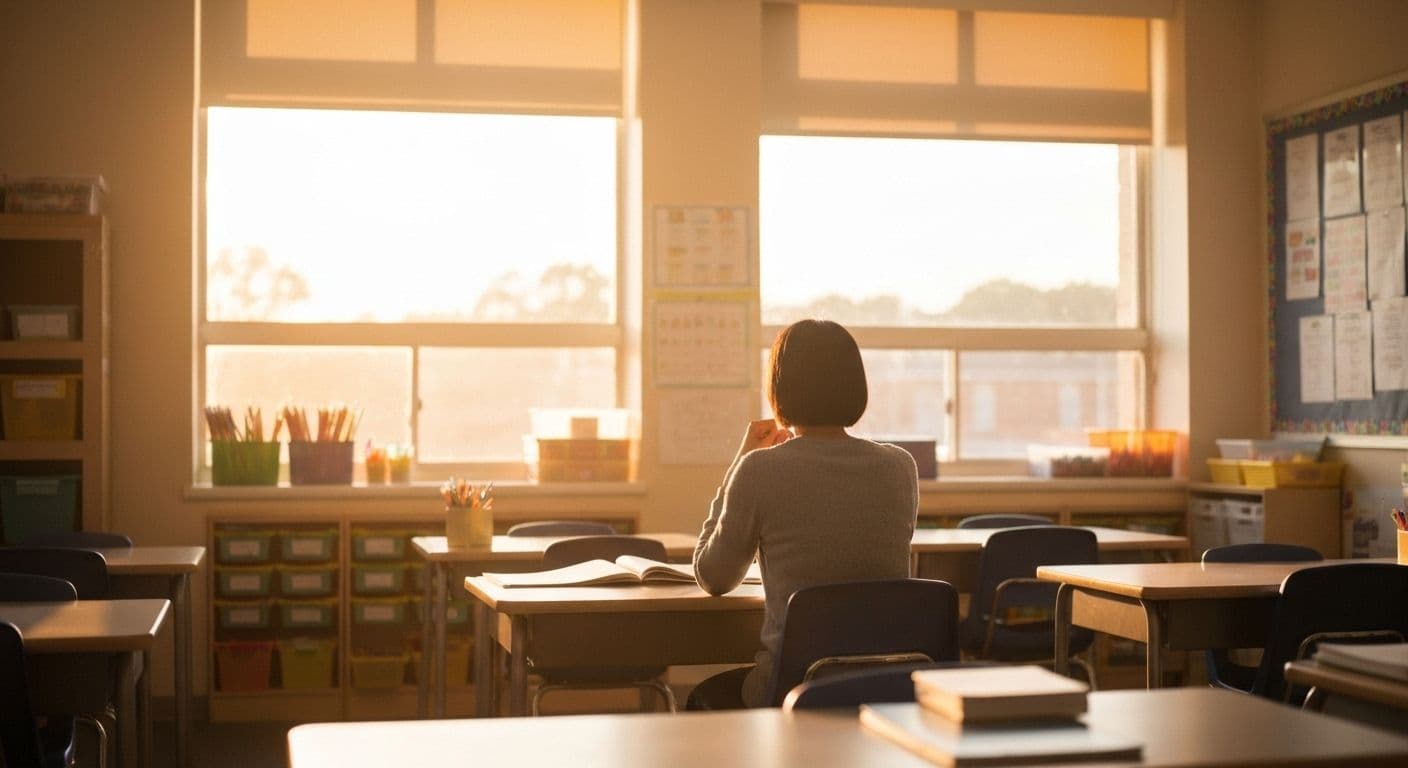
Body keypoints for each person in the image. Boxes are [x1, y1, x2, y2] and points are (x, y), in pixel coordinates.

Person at [688, 318, 919, 709]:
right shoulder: (900, 466)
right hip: (885, 685)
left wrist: (738, 466)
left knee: (703, 697)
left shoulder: (759, 470)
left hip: (794, 686)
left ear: (780, 388)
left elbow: (714, 577)